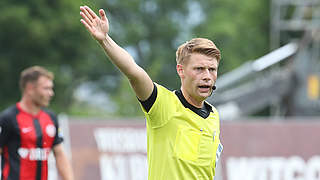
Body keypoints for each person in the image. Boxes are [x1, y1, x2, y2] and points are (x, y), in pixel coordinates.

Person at [80, 5, 223, 179]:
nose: (207, 76)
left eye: (212, 69)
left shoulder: (213, 115)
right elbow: (134, 72)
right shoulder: (163, 105)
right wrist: (105, 40)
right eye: (199, 69)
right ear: (181, 70)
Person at [0, 66, 74, 180]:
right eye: (46, 88)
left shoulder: (51, 118)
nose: (51, 93)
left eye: (51, 88)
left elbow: (59, 154)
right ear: (30, 88)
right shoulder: (8, 118)